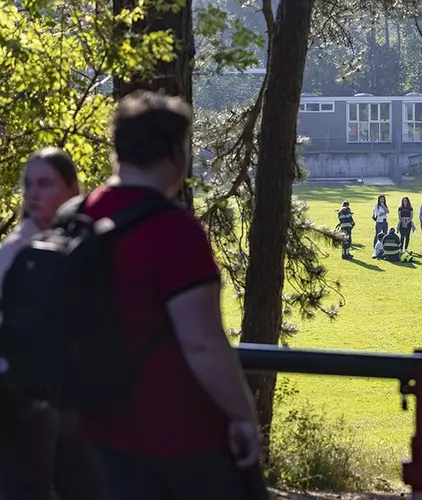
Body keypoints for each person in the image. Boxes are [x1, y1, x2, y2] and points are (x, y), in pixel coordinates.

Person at [76, 91, 265, 500]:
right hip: (177, 433)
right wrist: (242, 415)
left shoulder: (79, 216)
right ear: (177, 156)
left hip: (97, 424)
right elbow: (202, 343)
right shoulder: (174, 232)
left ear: (117, 150)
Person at [0, 148, 105, 500]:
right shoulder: (16, 251)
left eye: (45, 183)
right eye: (29, 184)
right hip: (18, 392)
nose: (33, 193)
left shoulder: (82, 248)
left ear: (72, 190)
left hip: (72, 391)